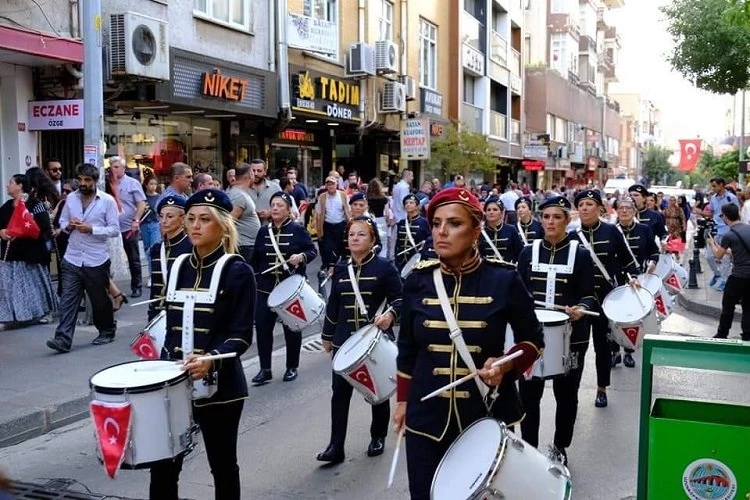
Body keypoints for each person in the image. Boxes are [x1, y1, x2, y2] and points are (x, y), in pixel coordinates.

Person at [394, 188, 543, 499]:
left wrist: (505, 365)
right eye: (436, 224)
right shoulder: (417, 281)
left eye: (454, 224)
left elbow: (533, 340)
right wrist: (403, 401)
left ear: (476, 231)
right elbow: (407, 349)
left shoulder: (504, 279)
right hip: (426, 419)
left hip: (484, 415)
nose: (441, 232)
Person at [149, 188, 256, 500]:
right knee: (164, 467)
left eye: (204, 220)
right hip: (175, 384)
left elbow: (240, 335)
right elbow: (170, 327)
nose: (195, 225)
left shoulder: (238, 271)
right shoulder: (179, 266)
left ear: (223, 226)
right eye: (192, 219)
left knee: (222, 465)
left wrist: (211, 358)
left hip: (222, 389)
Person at [516, 196, 596, 466]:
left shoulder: (581, 255)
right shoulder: (528, 252)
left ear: (567, 220)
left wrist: (581, 308)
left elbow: (589, 295)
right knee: (529, 394)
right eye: (546, 217)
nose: (550, 222)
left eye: (557, 217)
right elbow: (518, 293)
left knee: (567, 394)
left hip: (572, 338)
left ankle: (561, 445)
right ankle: (528, 448)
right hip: (533, 338)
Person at [317, 217, 402, 464]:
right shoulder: (342, 268)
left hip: (373, 338)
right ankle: (336, 446)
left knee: (377, 391)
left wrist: (390, 315)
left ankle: (378, 436)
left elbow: (401, 299)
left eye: (361, 234)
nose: (354, 238)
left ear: (373, 239)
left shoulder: (385, 268)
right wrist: (327, 336)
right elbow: (333, 304)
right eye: (351, 234)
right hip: (345, 340)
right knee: (339, 393)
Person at [570, 189, 639, 407]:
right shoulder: (571, 236)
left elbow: (628, 261)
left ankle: (601, 389)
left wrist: (633, 278)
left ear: (600, 208)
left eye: (589, 204)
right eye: (581, 205)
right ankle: (573, 389)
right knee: (577, 348)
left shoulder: (611, 232)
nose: (584, 208)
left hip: (606, 300)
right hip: (580, 302)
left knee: (602, 346)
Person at [46, 164, 120, 352]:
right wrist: (68, 225)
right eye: (80, 180)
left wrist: (92, 229)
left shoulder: (107, 201)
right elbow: (61, 221)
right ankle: (62, 338)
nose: (83, 183)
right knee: (68, 299)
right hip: (73, 257)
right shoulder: (71, 198)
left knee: (99, 300)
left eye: (87, 180)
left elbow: (114, 229)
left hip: (96, 258)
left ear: (95, 181)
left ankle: (107, 330)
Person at [251, 191, 317, 384]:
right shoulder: (264, 231)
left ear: (289, 210)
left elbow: (311, 250)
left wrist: (301, 258)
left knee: (292, 328)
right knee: (263, 328)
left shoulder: (297, 230)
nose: (276, 208)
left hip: (289, 289)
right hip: (266, 288)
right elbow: (256, 259)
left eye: (280, 205)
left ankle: (291, 366)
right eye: (273, 205)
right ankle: (265, 369)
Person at [0, 174, 58, 323]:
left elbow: (44, 226)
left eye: (11, 182)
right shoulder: (6, 206)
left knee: (37, 285)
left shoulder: (34, 204)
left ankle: (46, 312)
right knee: (11, 288)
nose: (7, 185)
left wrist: (23, 232)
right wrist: (2, 232)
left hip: (32, 253)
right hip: (12, 254)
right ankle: (17, 315)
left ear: (20, 186)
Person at [610, 197, 659, 368]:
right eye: (621, 208)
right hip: (615, 279)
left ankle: (629, 352)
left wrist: (653, 262)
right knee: (615, 317)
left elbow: (654, 252)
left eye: (628, 208)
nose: (624, 211)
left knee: (631, 318)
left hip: (636, 280)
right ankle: (615, 352)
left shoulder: (644, 230)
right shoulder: (611, 231)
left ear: (634, 211)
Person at [146, 196, 192, 322]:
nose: (163, 221)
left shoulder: (192, 247)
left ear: (183, 219)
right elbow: (156, 286)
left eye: (170, 216)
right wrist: (151, 314)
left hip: (182, 314)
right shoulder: (157, 248)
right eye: (161, 216)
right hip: (159, 314)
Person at [709, 203, 750, 341]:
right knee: (748, 306)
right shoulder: (748, 229)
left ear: (725, 217)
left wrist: (712, 243)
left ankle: (722, 334)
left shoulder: (729, 235)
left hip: (738, 276)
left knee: (728, 305)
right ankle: (747, 335)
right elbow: (737, 251)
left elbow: (718, 256)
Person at [707, 177, 740, 291]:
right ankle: (717, 274)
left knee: (726, 258)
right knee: (710, 256)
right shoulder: (713, 198)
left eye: (715, 186)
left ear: (722, 185)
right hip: (716, 230)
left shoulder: (731, 198)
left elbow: (737, 214)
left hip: (727, 230)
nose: (713, 188)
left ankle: (724, 281)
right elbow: (712, 213)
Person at [227, 163, 261, 263]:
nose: (255, 175)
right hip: (243, 246)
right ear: (250, 175)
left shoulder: (241, 193)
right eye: (253, 172)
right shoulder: (238, 195)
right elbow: (229, 222)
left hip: (247, 246)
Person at [316, 175, 350, 272]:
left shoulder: (343, 195)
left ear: (336, 185)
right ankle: (329, 266)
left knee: (340, 247)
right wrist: (319, 230)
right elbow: (318, 214)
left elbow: (347, 210)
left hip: (341, 224)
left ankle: (338, 266)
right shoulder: (322, 197)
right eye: (328, 184)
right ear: (326, 186)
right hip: (327, 225)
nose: (331, 186)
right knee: (328, 247)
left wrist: (350, 223)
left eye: (333, 184)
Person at [479, 195, 524, 263]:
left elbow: (519, 253)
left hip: (506, 271)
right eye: (488, 210)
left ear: (502, 213)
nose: (491, 212)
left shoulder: (511, 230)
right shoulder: (480, 232)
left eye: (495, 209)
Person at [394, 194, 430, 272]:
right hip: (401, 260)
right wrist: (396, 257)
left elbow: (430, 239)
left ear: (417, 206)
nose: (408, 205)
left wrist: (425, 243)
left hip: (416, 259)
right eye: (406, 203)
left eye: (411, 203)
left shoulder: (424, 222)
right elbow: (398, 242)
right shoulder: (402, 223)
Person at [141, 176, 162, 277]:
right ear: (146, 185)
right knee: (147, 249)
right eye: (151, 184)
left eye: (155, 184)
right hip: (144, 224)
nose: (153, 186)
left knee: (154, 249)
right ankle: (151, 274)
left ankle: (155, 275)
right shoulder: (142, 197)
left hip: (155, 224)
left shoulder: (159, 197)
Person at [249, 159, 281, 225]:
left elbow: (286, 207)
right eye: (253, 170)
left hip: (270, 229)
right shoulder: (244, 188)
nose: (255, 174)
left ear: (265, 172)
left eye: (259, 171)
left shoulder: (275, 187)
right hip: (249, 230)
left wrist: (270, 212)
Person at [366, 178, 392, 259]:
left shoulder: (367, 198)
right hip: (381, 220)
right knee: (383, 244)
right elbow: (387, 213)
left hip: (370, 220)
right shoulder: (384, 198)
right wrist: (388, 222)